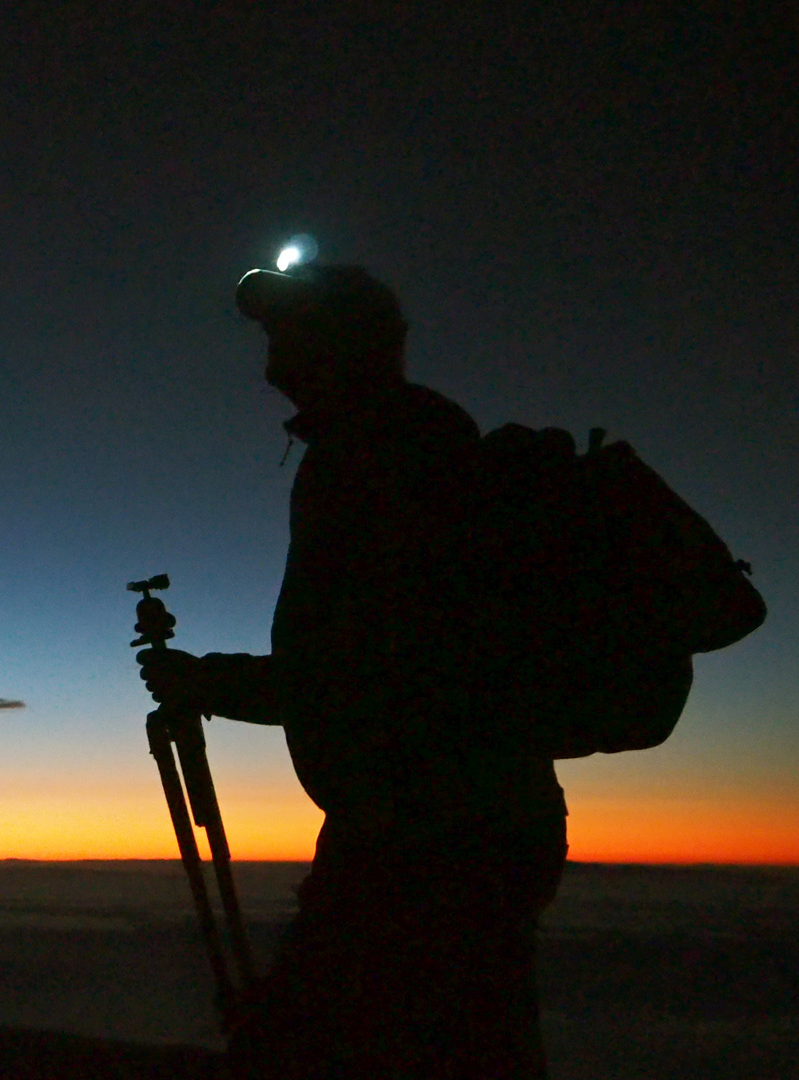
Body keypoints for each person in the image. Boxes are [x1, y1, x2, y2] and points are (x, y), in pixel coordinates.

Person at [137, 265, 569, 1079]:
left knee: (332, 1040)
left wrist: (210, 684)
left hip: (428, 829)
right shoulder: (405, 440)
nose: (271, 353)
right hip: (458, 816)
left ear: (338, 344)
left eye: (286, 331)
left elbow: (371, 672)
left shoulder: (384, 454)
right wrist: (214, 680)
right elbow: (365, 663)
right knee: (472, 1038)